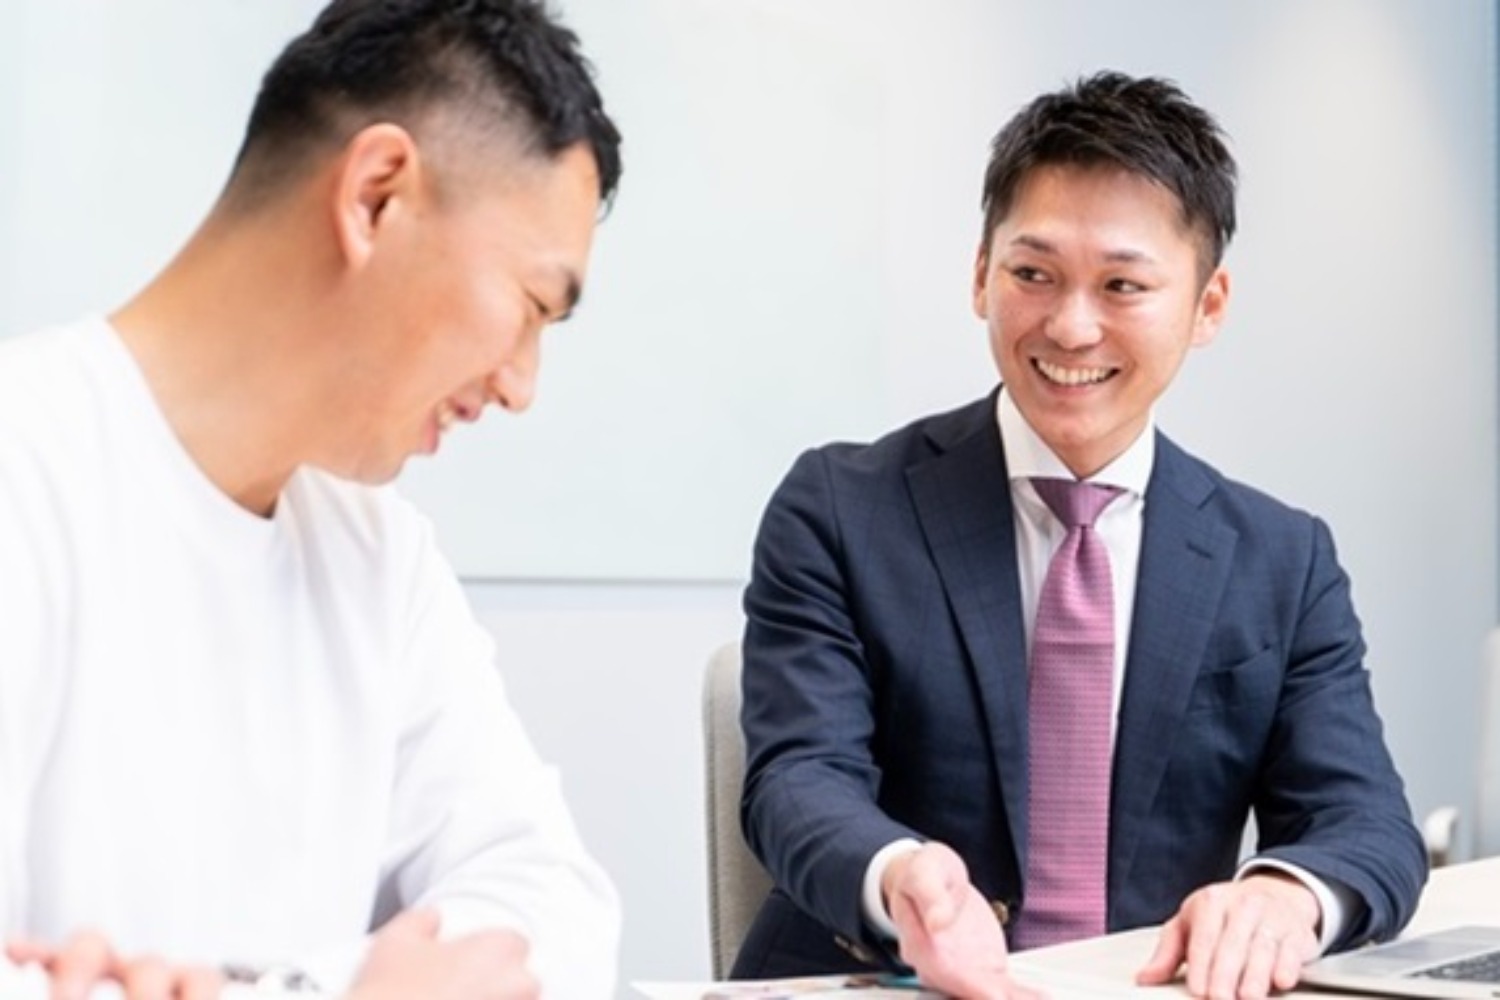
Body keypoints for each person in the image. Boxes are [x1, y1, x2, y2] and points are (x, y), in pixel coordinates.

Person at [732, 71, 1426, 1000]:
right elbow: (796, 777)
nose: (1070, 326)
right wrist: (899, 876)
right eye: (1033, 274)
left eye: (1123, 285)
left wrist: (1285, 894)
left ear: (1208, 305)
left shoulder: (1282, 562)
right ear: (980, 275)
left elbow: (1366, 822)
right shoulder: (839, 508)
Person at [0, 0, 622, 997]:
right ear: (376, 197)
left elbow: (557, 907)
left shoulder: (382, 559)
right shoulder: (27, 468)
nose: (521, 385)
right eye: (531, 305)